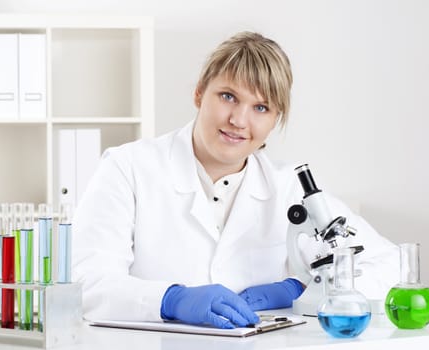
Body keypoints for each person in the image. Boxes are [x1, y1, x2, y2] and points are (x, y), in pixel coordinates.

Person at [72, 31, 399, 329]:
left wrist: (299, 288)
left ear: (275, 120)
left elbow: (389, 265)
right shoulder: (127, 168)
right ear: (200, 93)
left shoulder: (288, 187)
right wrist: (170, 300)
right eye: (228, 96)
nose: (239, 120)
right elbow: (87, 283)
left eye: (260, 107)